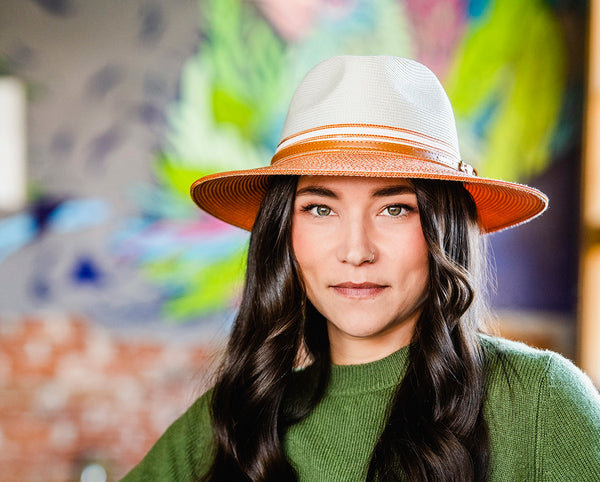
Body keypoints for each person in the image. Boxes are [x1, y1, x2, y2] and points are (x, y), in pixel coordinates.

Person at [123, 56, 600, 481]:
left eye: (395, 208)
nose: (355, 251)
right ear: (282, 232)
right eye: (320, 208)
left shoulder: (540, 404)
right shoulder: (234, 420)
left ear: (444, 228)